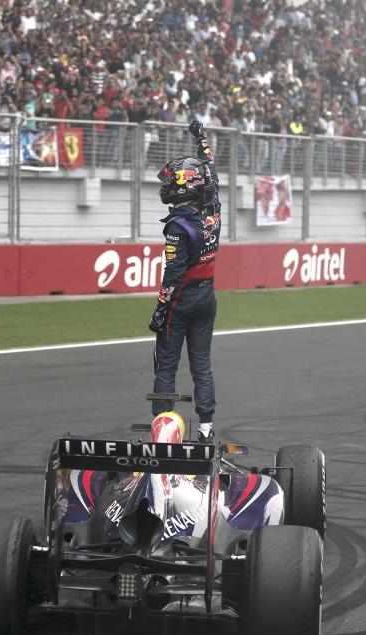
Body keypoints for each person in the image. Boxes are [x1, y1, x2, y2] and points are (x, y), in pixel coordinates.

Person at [149, 121, 221, 443]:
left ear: (182, 187)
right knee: (202, 365)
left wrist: (160, 310)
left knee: (166, 363)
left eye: (169, 182)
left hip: (182, 299)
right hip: (208, 298)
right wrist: (201, 139)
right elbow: (212, 171)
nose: (165, 187)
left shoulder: (178, 227)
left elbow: (173, 274)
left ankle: (164, 428)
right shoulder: (213, 209)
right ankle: (206, 428)